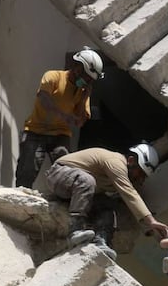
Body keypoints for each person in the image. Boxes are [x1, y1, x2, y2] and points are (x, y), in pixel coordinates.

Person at [45, 143, 168, 259]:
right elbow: (129, 193)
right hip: (59, 175)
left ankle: (101, 241)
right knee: (87, 180)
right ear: (131, 160)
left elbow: (131, 203)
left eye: (143, 177)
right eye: (140, 173)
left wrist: (151, 230)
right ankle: (75, 228)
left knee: (106, 204)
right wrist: (152, 221)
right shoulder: (116, 162)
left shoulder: (123, 174)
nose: (140, 179)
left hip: (75, 190)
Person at [15, 46, 104, 188]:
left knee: (66, 169)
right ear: (77, 68)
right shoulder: (53, 76)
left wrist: (84, 97)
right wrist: (62, 115)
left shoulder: (82, 91)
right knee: (27, 170)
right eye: (86, 77)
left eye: (90, 80)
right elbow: (44, 98)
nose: (87, 81)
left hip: (60, 135)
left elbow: (80, 120)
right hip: (35, 131)